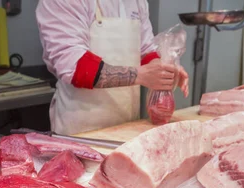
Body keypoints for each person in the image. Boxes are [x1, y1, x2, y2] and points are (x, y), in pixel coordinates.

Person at [36, 0, 189, 136]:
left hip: (127, 126)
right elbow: (74, 67)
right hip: (80, 131)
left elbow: (145, 51)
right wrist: (140, 75)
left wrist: (162, 69)